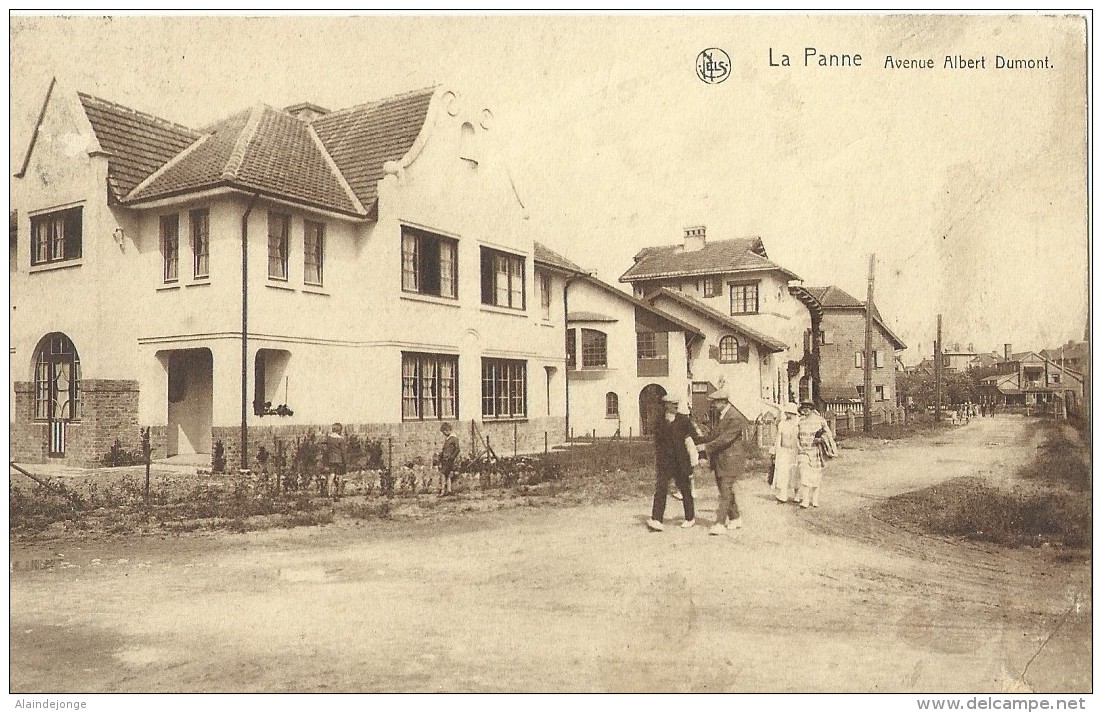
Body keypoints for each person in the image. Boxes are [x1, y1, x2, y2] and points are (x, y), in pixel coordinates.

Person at [696, 387, 750, 536]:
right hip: (722, 460)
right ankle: (736, 518)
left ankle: (720, 523)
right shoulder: (722, 415)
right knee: (725, 490)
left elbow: (725, 439)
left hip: (731, 460)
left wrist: (706, 446)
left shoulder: (735, 417)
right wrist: (702, 439)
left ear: (723, 402)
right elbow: (715, 435)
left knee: (725, 491)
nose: (712, 405)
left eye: (714, 402)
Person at [646, 394, 698, 531]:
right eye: (672, 404)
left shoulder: (683, 420)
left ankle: (690, 517)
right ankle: (657, 519)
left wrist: (700, 454)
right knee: (661, 489)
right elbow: (657, 443)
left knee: (685, 489)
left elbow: (695, 438)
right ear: (665, 405)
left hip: (681, 461)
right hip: (665, 463)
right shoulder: (659, 422)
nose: (675, 405)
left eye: (676, 403)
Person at [796, 401, 836, 509]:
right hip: (803, 452)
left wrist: (821, 439)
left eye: (808, 408)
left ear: (812, 409)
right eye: (803, 408)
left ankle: (814, 499)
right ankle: (805, 500)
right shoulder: (800, 421)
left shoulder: (820, 420)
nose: (805, 410)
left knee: (815, 476)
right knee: (804, 475)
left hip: (816, 451)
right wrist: (799, 447)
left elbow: (829, 433)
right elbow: (795, 437)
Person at [771, 402, 800, 503]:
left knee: (795, 472)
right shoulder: (782, 424)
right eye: (787, 412)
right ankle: (783, 495)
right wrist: (775, 451)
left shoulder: (798, 424)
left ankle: (797, 495)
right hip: (783, 451)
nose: (788, 415)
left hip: (795, 451)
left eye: (790, 413)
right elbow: (778, 438)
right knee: (783, 472)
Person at [322, 422, 348, 500]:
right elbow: (343, 451)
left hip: (331, 459)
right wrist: (345, 461)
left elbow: (325, 448)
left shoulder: (329, 439)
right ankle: (339, 493)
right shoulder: (341, 439)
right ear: (339, 430)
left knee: (331, 475)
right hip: (339, 460)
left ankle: (329, 493)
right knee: (340, 476)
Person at [438, 422, 461, 496]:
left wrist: (452, 457)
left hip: (449, 459)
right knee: (447, 475)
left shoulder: (454, 438)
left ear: (448, 430)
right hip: (445, 459)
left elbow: (457, 449)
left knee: (442, 474)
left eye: (444, 431)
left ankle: (442, 491)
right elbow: (445, 449)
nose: (443, 434)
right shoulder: (448, 439)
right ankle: (449, 490)